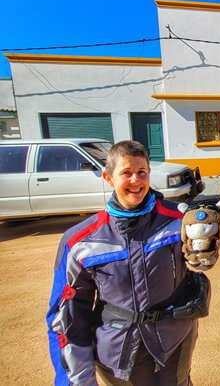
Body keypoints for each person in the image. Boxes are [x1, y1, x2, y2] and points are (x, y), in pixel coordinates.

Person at [47, 140, 210, 385]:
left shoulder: (180, 221)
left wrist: (206, 248)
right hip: (118, 349)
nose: (136, 180)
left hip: (175, 339)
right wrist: (76, 379)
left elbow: (199, 260)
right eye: (126, 173)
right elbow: (68, 317)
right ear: (108, 177)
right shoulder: (81, 242)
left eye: (141, 172)